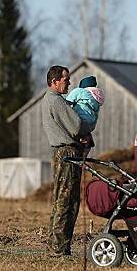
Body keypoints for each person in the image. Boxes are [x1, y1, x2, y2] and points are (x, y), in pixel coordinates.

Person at [41, 65, 92, 256]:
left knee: (65, 200)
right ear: (54, 81)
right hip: (67, 154)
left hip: (64, 153)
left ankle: (58, 246)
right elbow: (76, 125)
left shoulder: (52, 100)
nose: (69, 83)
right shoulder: (56, 101)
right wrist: (86, 130)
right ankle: (58, 249)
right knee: (66, 201)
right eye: (66, 80)